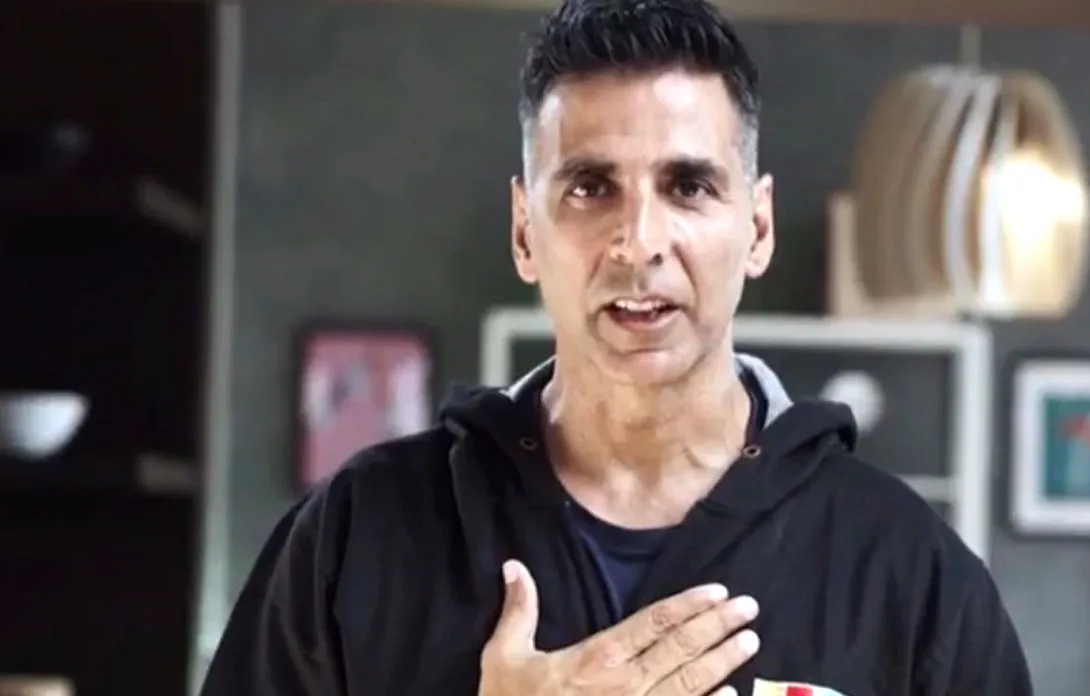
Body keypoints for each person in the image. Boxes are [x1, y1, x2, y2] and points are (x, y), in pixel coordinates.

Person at [200, 0, 1033, 694]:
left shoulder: (912, 575)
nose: (638, 242)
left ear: (757, 228)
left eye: (688, 186)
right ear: (524, 232)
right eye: (591, 187)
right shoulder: (358, 534)